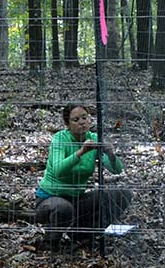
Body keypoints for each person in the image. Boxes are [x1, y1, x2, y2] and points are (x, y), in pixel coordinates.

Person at [35, 103, 132, 247]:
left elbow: (116, 170)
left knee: (122, 195)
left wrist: (110, 154)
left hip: (77, 198)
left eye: (84, 117)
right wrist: (81, 152)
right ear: (67, 124)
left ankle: (82, 234)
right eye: (75, 120)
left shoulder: (94, 138)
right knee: (63, 208)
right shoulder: (60, 139)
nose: (82, 122)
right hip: (49, 198)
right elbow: (58, 170)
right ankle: (50, 243)